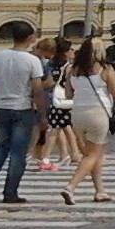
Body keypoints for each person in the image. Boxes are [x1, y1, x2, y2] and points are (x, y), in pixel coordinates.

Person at [0, 23, 47, 203]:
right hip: (22, 108)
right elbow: (38, 90)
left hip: (1, 107)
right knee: (18, 153)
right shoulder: (32, 61)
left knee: (2, 146)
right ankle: (10, 192)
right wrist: (43, 114)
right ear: (30, 38)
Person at [63, 37, 115, 204]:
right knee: (92, 155)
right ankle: (70, 187)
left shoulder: (72, 70)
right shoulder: (105, 69)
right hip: (97, 114)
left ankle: (100, 190)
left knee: (93, 155)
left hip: (77, 114)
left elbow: (68, 93)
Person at [39, 37, 77, 171]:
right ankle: (71, 154)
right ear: (65, 52)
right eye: (71, 49)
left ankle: (46, 157)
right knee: (64, 127)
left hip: (57, 100)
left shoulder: (51, 65)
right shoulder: (68, 67)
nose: (73, 51)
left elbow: (50, 82)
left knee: (57, 127)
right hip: (62, 100)